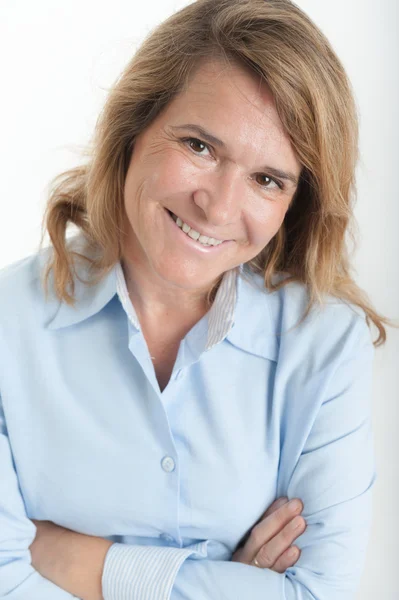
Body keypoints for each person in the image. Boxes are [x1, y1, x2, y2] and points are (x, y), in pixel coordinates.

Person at [0, 0, 393, 599]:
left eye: (267, 179)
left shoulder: (325, 344)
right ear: (134, 128)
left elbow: (319, 595)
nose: (218, 206)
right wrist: (231, 582)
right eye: (200, 147)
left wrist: (69, 557)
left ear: (295, 201)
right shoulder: (8, 323)